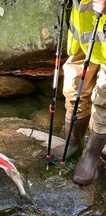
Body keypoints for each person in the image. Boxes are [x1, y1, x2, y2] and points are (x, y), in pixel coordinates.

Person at [52, 0, 106, 185]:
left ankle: (91, 155)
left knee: (103, 99)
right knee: (73, 87)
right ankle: (73, 143)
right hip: (84, 35)